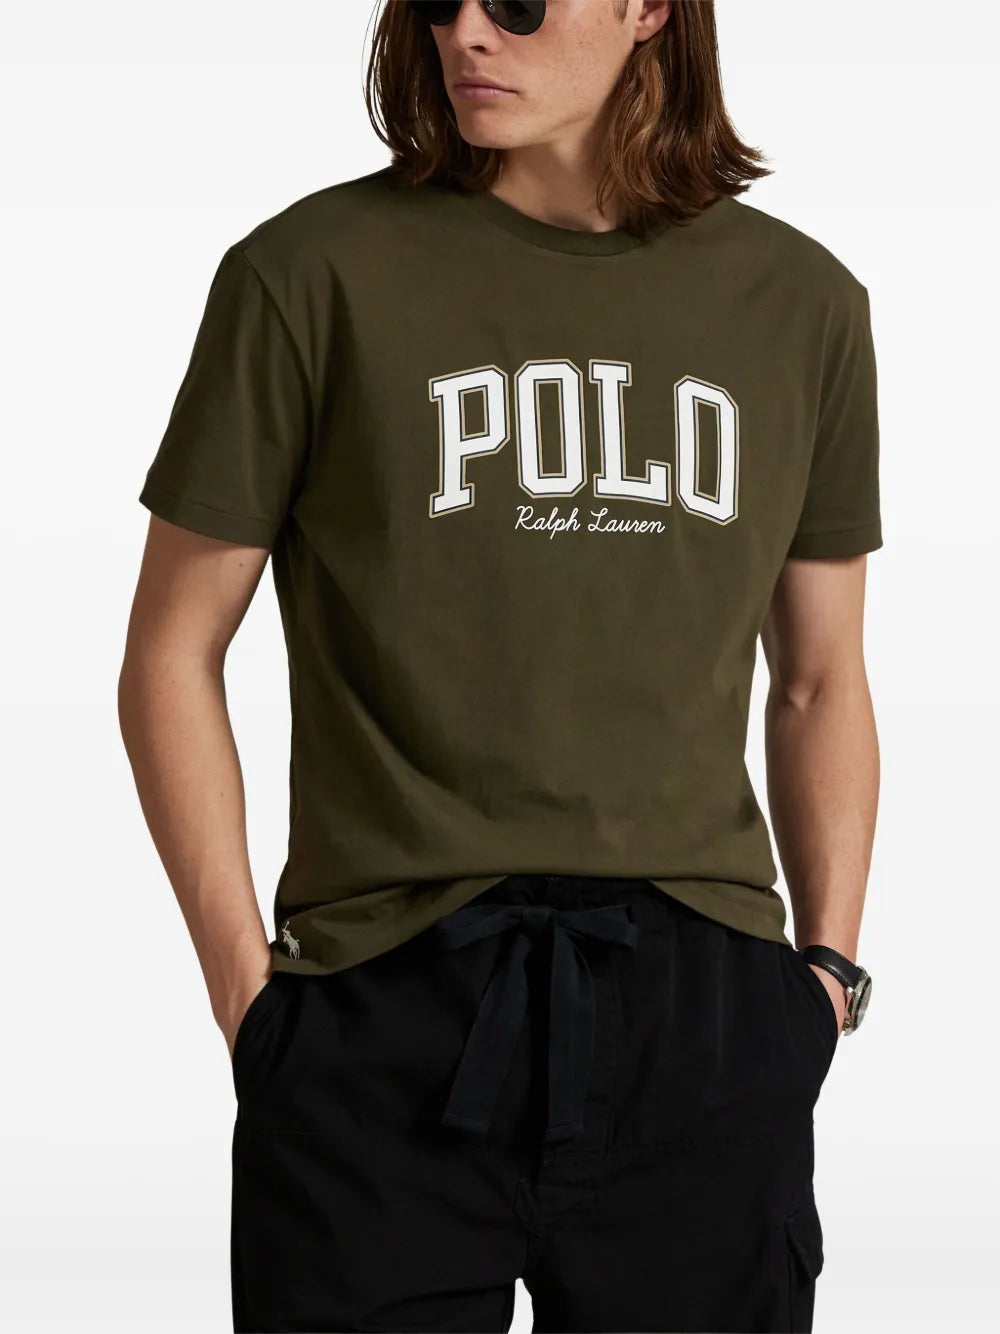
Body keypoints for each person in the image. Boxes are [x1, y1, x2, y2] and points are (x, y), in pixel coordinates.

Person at [118, 1, 881, 1330]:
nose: (468, 31)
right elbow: (171, 651)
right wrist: (253, 1004)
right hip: (383, 998)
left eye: (519, 1)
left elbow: (820, 678)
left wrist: (823, 981)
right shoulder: (308, 274)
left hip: (699, 1008)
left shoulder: (801, 303)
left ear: (648, 8)